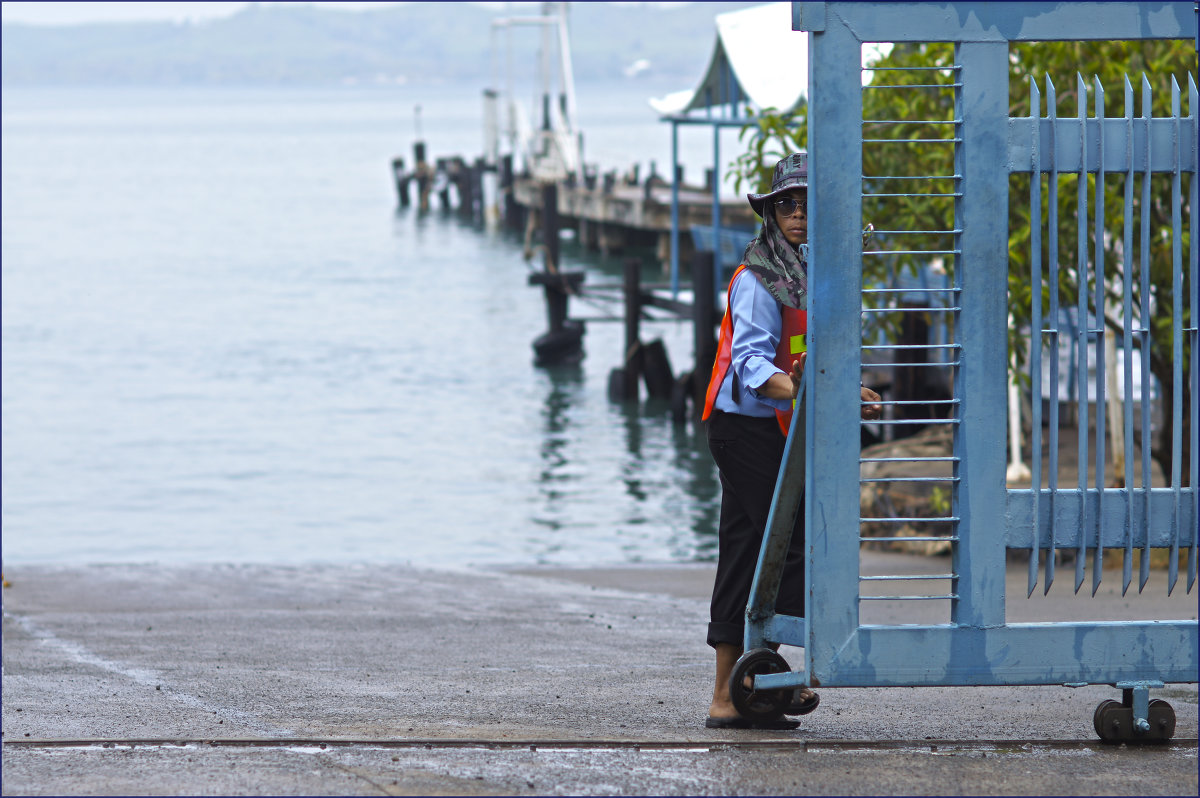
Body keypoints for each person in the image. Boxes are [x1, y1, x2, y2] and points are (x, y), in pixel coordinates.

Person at [700, 152, 881, 729]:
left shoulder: (808, 272)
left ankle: (738, 694)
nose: (798, 213)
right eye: (787, 204)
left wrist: (843, 387)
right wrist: (805, 388)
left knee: (750, 552)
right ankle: (764, 674)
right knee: (793, 538)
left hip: (770, 424)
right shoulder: (758, 278)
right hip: (743, 427)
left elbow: (810, 360)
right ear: (771, 213)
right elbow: (752, 368)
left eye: (807, 203)